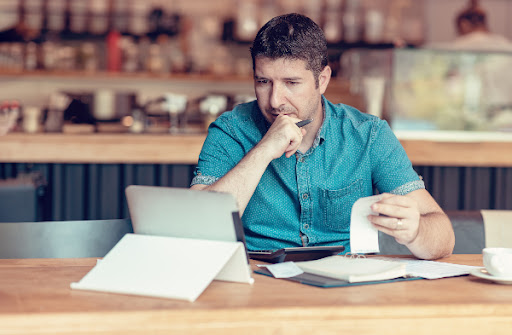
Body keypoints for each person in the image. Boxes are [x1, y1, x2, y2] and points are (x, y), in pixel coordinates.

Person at [190, 13, 455, 260]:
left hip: (346, 287)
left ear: (323, 79)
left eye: (291, 83)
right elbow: (197, 228)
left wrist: (416, 232)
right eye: (263, 82)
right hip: (258, 281)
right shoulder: (230, 130)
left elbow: (444, 237)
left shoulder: (368, 134)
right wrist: (264, 150)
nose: (275, 100)